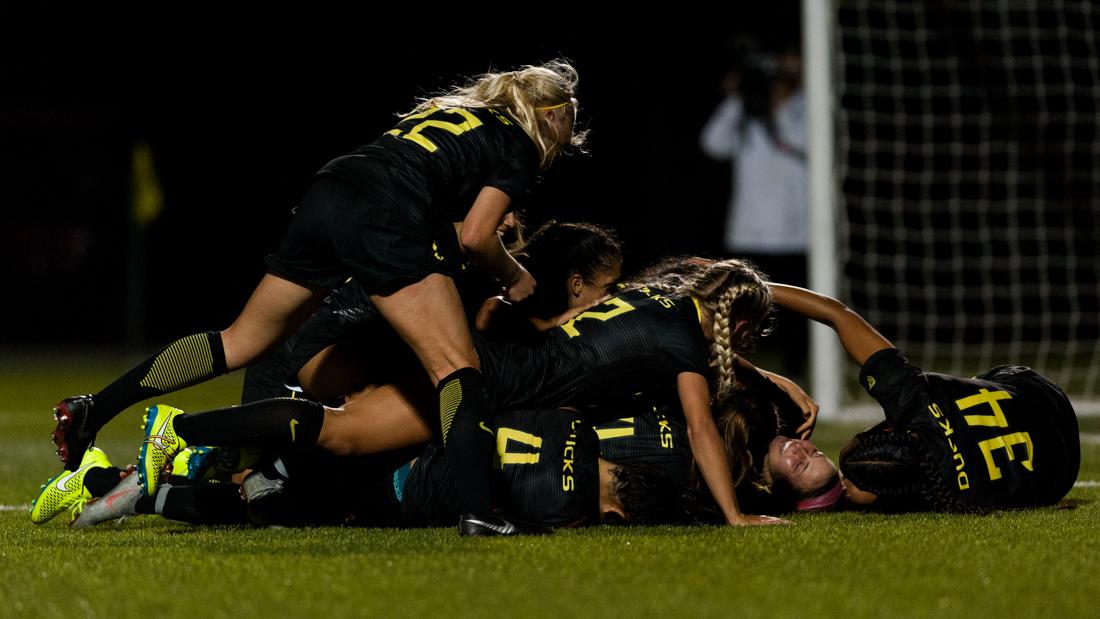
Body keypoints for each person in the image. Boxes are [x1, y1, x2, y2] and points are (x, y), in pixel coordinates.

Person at [51, 60, 585, 533]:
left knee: (239, 340)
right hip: (383, 209)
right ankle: (478, 511)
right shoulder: (517, 142)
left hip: (331, 190)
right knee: (457, 369)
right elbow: (476, 235)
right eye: (569, 122)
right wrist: (513, 276)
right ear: (550, 117)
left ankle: (95, 407)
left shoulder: (451, 115)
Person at [767, 283, 1080, 512]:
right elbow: (838, 314)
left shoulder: (947, 496)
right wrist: (755, 287)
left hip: (1060, 473)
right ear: (891, 430)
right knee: (962, 392)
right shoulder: (912, 399)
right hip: (1041, 395)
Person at [700, 46, 809, 380]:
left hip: (798, 233)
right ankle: (738, 371)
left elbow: (804, 142)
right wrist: (739, 98)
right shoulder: (746, 112)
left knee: (796, 313)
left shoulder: (807, 108)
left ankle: (797, 370)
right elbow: (712, 143)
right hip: (750, 230)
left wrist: (774, 109)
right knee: (742, 309)